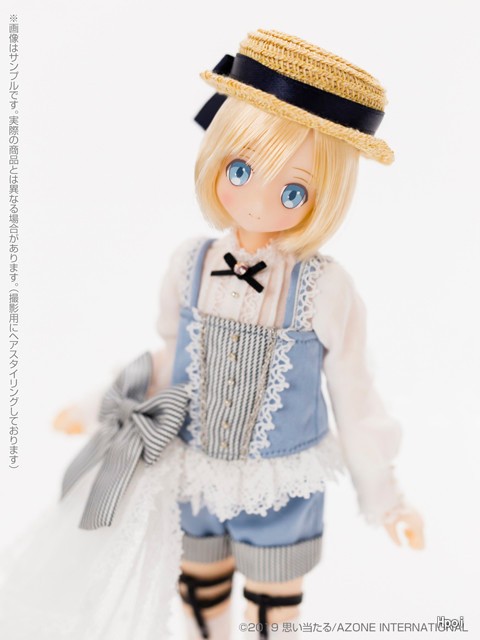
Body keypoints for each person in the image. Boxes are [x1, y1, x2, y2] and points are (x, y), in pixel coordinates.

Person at [6, 28, 424, 640]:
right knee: (199, 587)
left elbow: (354, 395)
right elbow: (170, 356)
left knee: (274, 601)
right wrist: (97, 403)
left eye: (292, 190)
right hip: (193, 470)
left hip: (279, 482)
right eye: (240, 168)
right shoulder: (190, 264)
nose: (257, 202)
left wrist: (385, 497)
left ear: (326, 196)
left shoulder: (325, 288)